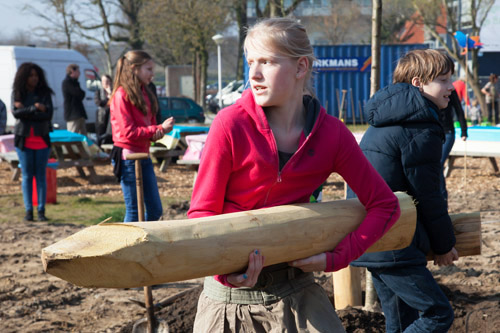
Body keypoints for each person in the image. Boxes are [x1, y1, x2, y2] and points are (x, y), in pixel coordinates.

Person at [188, 18, 401, 332]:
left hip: (297, 290)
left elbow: (385, 205)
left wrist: (336, 258)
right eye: (251, 63)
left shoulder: (333, 135)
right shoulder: (229, 125)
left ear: (301, 67)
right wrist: (224, 272)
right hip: (229, 299)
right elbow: (201, 214)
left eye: (268, 62)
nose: (254, 74)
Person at [348, 49, 459, 332]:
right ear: (419, 83)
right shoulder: (420, 127)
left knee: (401, 323)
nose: (451, 87)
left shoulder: (388, 119)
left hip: (372, 237)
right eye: (444, 80)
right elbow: (428, 193)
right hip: (394, 240)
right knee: (437, 315)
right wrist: (444, 245)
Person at [109, 50, 174, 222]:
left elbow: (149, 129)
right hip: (128, 157)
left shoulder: (146, 93)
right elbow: (128, 132)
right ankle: (128, 246)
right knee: (134, 211)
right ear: (134, 68)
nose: (152, 74)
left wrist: (160, 132)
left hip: (144, 155)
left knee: (155, 210)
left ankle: (143, 241)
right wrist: (156, 129)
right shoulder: (121, 95)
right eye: (149, 69)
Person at [12, 62, 54, 222]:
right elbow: (16, 114)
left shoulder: (44, 92)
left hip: (42, 139)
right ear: (24, 76)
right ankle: (28, 211)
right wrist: (35, 108)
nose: (34, 78)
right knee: (28, 176)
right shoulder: (18, 92)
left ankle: (41, 210)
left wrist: (26, 110)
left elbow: (48, 115)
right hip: (24, 140)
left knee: (41, 176)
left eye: (36, 75)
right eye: (31, 75)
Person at [440, 89, 467, 205]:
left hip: (448, 133)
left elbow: (458, 110)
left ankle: (443, 198)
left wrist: (464, 131)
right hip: (434, 133)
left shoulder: (450, 91)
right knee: (434, 166)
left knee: (438, 163)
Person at [62, 64, 87, 134]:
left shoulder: (75, 82)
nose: (79, 73)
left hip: (79, 114)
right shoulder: (67, 83)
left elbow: (81, 94)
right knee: (72, 134)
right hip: (72, 114)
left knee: (83, 136)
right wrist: (81, 93)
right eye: (78, 71)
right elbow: (78, 93)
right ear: (72, 71)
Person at [94, 74, 112, 146]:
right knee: (101, 135)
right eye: (103, 81)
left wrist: (110, 93)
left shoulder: (114, 91)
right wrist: (108, 99)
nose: (105, 83)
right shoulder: (98, 92)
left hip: (111, 116)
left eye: (107, 81)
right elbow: (99, 102)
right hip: (101, 116)